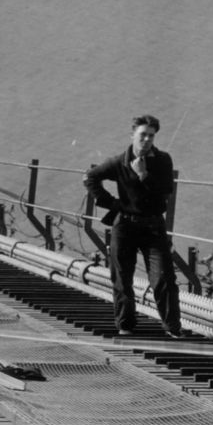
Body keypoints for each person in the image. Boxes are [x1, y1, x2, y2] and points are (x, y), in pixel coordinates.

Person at [84, 114, 184, 337]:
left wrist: (143, 175)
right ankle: (125, 326)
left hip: (153, 227)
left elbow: (164, 194)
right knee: (121, 278)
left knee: (164, 278)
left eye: (151, 135)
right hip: (124, 226)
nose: (147, 139)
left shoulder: (163, 160)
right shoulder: (119, 161)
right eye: (143, 135)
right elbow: (90, 177)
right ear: (133, 135)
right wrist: (112, 203)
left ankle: (173, 328)